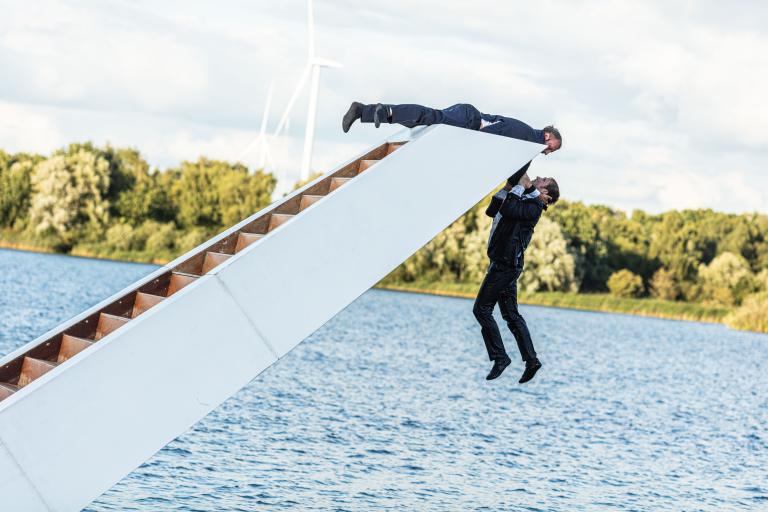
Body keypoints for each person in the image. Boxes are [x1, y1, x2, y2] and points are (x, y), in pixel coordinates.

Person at [473, 171, 560, 383]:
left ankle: (500, 357)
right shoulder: (526, 199)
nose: (539, 177)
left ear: (544, 190)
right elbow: (492, 210)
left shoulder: (535, 206)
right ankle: (532, 361)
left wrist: (522, 185)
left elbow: (511, 209)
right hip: (505, 263)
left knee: (481, 309)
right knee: (511, 315)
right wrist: (509, 187)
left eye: (543, 179)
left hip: (505, 265)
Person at [342, 102, 562, 154]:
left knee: (424, 121)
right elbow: (496, 131)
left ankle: (365, 111)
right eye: (553, 146)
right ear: (547, 135)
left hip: (469, 117)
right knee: (430, 117)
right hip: (471, 121)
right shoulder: (526, 136)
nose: (549, 151)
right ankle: (383, 111)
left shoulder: (526, 137)